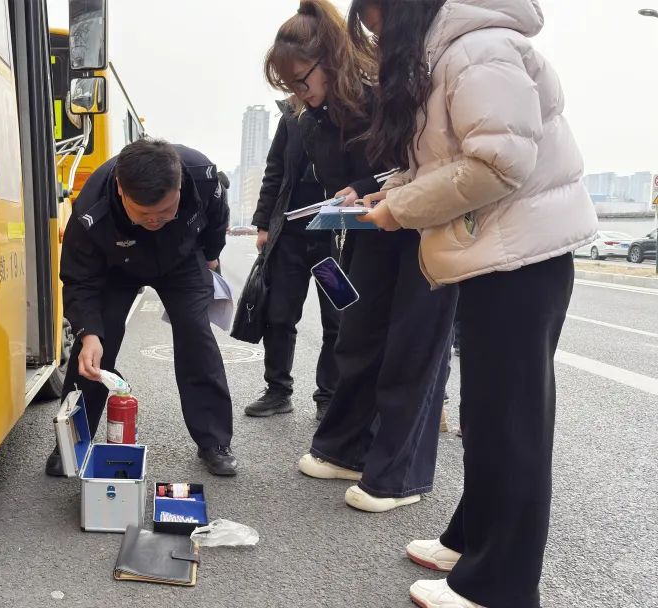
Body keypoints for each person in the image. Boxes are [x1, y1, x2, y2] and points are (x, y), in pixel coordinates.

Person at [351, 1, 598, 606]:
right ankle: (472, 540)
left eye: (376, 23)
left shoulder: (474, 49)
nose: (376, 40)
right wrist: (389, 193)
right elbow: (455, 158)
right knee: (486, 413)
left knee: (510, 423)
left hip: (523, 259)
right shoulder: (456, 49)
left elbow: (498, 163)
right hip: (503, 252)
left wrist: (400, 210)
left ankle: (500, 587)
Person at [264, 0, 458, 515]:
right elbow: (335, 177)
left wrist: (367, 186)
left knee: (413, 351)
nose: (298, 94)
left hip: (421, 227)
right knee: (358, 339)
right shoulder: (310, 118)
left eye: (302, 81)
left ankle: (401, 475)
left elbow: (419, 160)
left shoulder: (386, 87)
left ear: (328, 59)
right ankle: (346, 449)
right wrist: (347, 196)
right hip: (369, 232)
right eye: (290, 88)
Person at [44, 138, 238, 476]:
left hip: (181, 259)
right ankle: (72, 440)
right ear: (120, 189)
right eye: (144, 214)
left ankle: (215, 442)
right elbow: (79, 280)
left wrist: (210, 255)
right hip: (116, 266)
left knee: (195, 333)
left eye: (165, 211)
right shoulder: (91, 209)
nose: (155, 220)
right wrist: (88, 332)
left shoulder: (201, 174)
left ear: (179, 185)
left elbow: (217, 219)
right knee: (95, 347)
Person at [245, 94, 341, 422]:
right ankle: (278, 391)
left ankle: (329, 396)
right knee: (279, 316)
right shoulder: (291, 115)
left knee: (337, 320)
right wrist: (263, 224)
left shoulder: (348, 108)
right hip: (292, 237)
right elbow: (275, 170)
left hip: (334, 239)